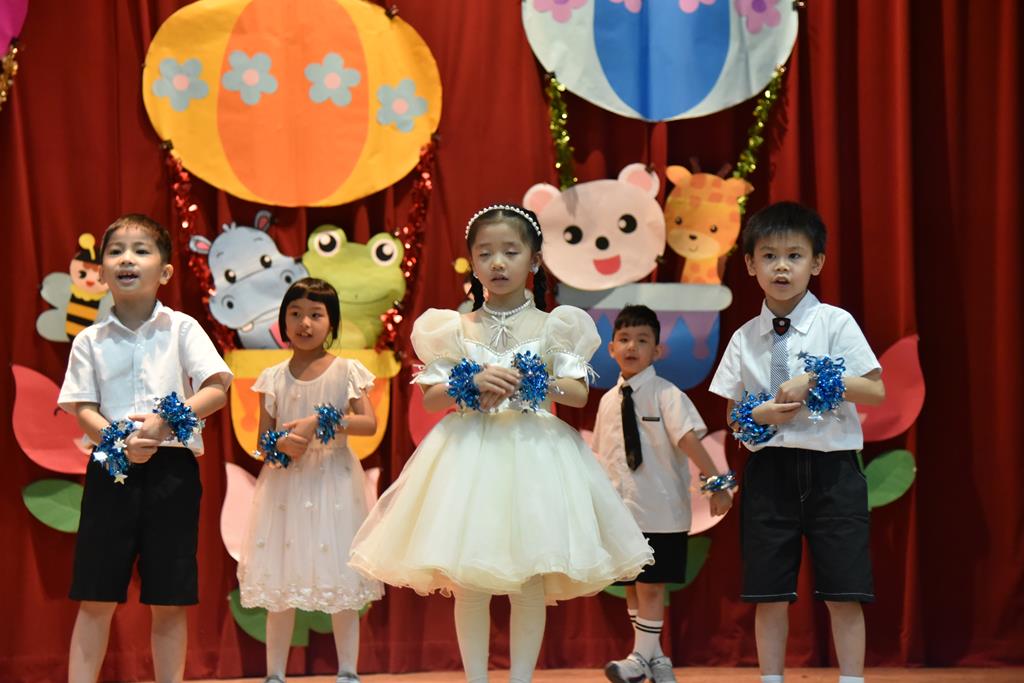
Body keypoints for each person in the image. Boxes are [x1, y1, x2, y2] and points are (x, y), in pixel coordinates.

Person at [349, 205, 653, 683]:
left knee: (527, 581)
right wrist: (470, 381)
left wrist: (529, 380)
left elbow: (576, 393)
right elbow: (431, 397)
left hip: (536, 457)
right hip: (469, 457)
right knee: (471, 581)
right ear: (473, 262)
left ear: (534, 260)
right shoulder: (454, 327)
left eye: (511, 252)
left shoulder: (555, 326)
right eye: (485, 253)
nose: (498, 262)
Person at [708, 202, 886, 683]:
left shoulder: (835, 323)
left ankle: (851, 679)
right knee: (768, 593)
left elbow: (875, 390)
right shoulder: (744, 337)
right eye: (769, 256)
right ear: (750, 265)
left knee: (844, 591)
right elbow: (733, 416)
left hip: (833, 471)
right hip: (769, 475)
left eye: (794, 255)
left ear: (817, 262)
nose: (781, 267)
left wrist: (815, 379)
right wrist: (757, 415)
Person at [57, 214, 232, 683]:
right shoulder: (89, 340)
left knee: (169, 598)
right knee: (95, 595)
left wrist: (163, 423)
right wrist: (120, 440)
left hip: (172, 472)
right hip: (110, 468)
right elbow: (83, 407)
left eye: (140, 250)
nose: (126, 259)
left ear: (166, 271)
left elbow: (216, 388)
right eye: (115, 251)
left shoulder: (182, 329)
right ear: (101, 271)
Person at [238, 277, 384, 683]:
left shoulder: (346, 371)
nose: (305, 323)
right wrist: (281, 444)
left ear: (331, 323)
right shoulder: (272, 377)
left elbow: (369, 423)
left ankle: (348, 671)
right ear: (283, 321)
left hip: (333, 481)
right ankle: (275, 674)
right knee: (281, 578)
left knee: (341, 575)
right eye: (296, 313)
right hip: (286, 484)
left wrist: (322, 420)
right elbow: (263, 441)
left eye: (316, 315)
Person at [593, 304, 735, 683]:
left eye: (642, 340)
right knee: (633, 588)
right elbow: (602, 458)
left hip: (661, 511)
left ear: (657, 351)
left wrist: (717, 483)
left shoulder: (667, 394)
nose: (632, 347)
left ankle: (639, 658)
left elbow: (689, 440)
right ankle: (656, 661)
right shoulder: (607, 402)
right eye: (624, 339)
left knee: (652, 585)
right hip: (622, 514)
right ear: (611, 348)